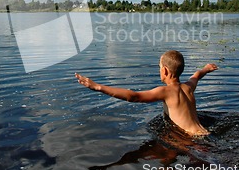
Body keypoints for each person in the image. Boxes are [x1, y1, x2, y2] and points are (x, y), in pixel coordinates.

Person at [75, 50, 218, 136]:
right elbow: (197, 75)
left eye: (159, 67)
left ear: (165, 71)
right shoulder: (188, 87)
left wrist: (98, 87)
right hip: (204, 133)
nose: (159, 70)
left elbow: (134, 96)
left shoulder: (165, 92)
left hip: (190, 139)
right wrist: (206, 68)